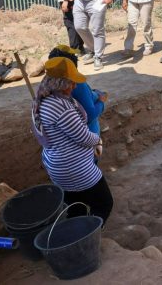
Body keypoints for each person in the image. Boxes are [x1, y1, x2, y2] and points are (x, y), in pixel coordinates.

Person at [31, 57, 113, 223]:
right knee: (104, 203)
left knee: (76, 207)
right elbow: (84, 138)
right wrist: (97, 139)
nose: (75, 86)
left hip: (58, 166)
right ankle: (89, 234)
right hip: (74, 168)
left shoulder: (43, 99)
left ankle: (77, 234)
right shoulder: (61, 107)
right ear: (60, 84)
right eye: (71, 82)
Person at [48, 45, 107, 136]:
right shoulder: (78, 85)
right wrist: (101, 102)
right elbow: (90, 115)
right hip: (88, 136)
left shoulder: (48, 83)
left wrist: (92, 93)